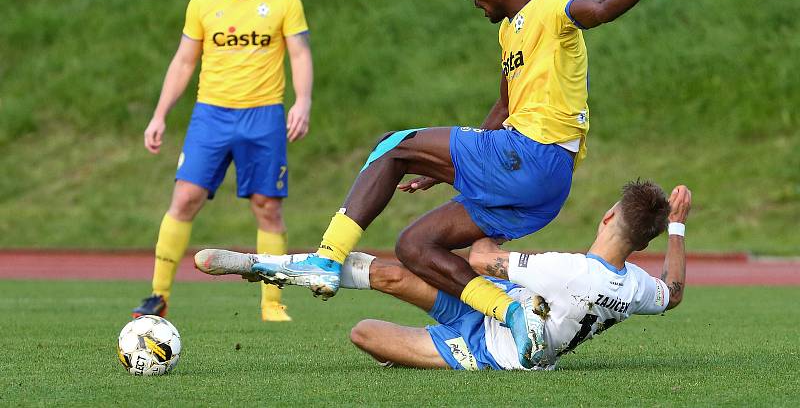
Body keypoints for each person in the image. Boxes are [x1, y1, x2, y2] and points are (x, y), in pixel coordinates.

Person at [251, 0, 701, 365]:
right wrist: (439, 166)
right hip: (541, 183)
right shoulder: (511, 31)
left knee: (392, 146)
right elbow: (504, 105)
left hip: (531, 153)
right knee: (415, 246)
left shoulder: (552, 10)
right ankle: (510, 311)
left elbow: (602, 8)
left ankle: (326, 258)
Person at [195, 180, 691, 370]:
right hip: (490, 301)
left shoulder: (563, 270)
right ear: (642, 240)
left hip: (494, 353)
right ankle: (270, 268)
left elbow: (478, 257)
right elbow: (672, 293)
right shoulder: (635, 288)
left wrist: (495, 212)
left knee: (363, 333)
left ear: (607, 219)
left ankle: (292, 265)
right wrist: (677, 227)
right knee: (391, 277)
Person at [132, 0, 313, 322]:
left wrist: (302, 102)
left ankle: (271, 303)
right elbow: (183, 61)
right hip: (211, 115)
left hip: (264, 115)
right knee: (184, 199)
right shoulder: (203, 2)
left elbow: (299, 54)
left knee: (268, 207)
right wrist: (159, 115)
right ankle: (157, 296)